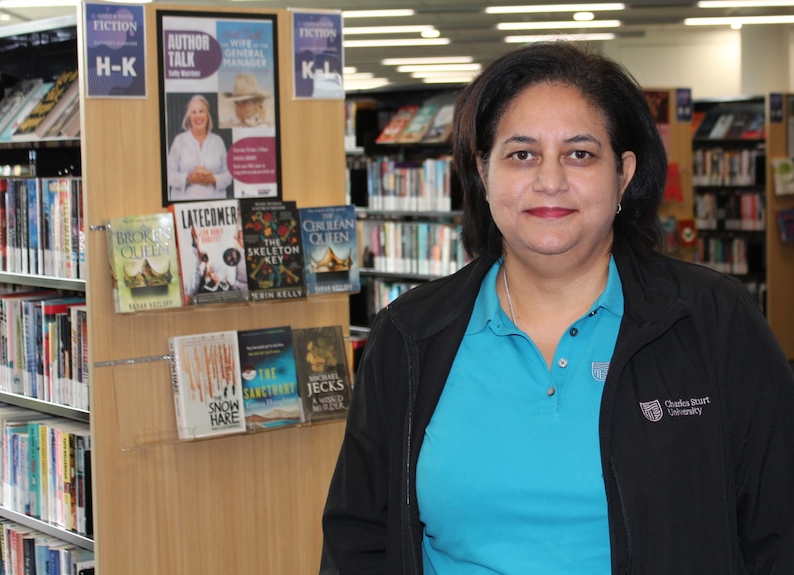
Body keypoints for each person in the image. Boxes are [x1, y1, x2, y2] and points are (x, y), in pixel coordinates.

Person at [320, 41, 794, 574]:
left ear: (624, 173)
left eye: (580, 154)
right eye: (522, 154)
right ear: (482, 171)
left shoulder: (712, 320)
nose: (550, 180)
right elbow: (356, 537)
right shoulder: (410, 334)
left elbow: (779, 527)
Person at [167, 94, 233, 201]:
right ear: (189, 117)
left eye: (201, 111)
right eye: (194, 112)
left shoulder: (218, 141)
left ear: (207, 115)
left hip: (215, 205)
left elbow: (228, 175)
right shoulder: (180, 140)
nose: (198, 116)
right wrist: (189, 178)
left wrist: (213, 179)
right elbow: (168, 175)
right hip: (184, 205)